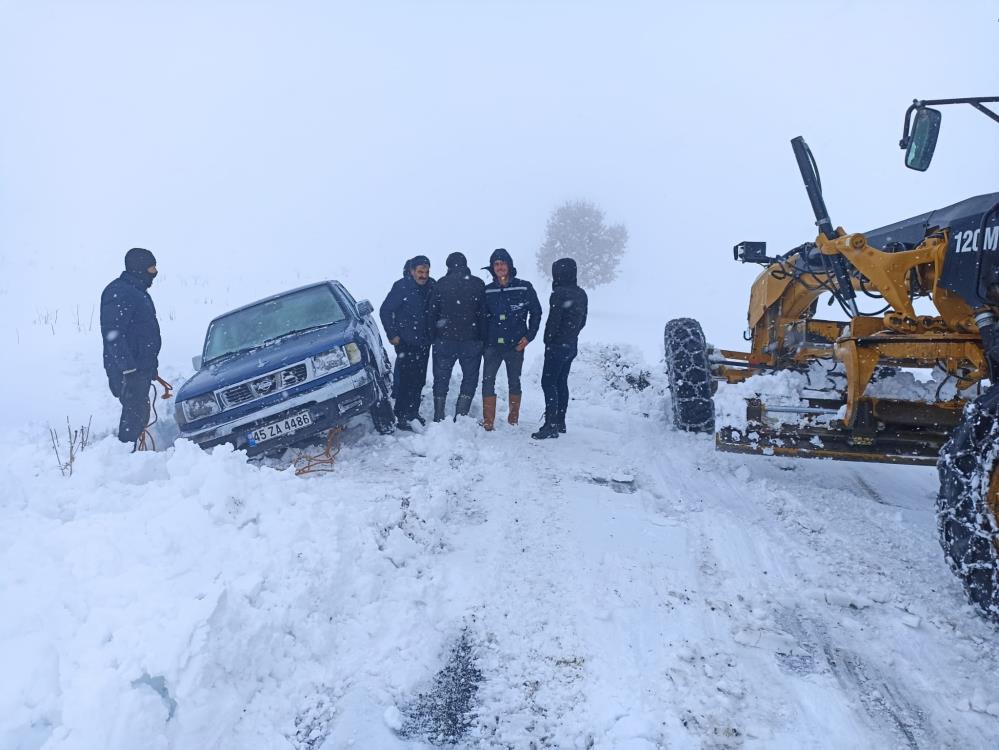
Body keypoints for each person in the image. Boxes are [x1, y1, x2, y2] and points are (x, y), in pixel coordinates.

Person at [100, 247, 162, 447]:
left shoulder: (136, 291)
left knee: (139, 414)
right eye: (151, 268)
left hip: (139, 369)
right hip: (128, 372)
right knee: (133, 419)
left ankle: (135, 457)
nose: (155, 273)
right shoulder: (119, 292)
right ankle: (126, 460)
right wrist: (129, 370)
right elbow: (113, 335)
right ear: (139, 269)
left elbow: (143, 333)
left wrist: (150, 366)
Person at [480, 248, 542, 430]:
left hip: (515, 345)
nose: (500, 267)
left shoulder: (524, 287)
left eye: (503, 263)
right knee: (487, 381)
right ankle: (488, 421)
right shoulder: (488, 291)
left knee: (514, 380)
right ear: (492, 268)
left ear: (509, 265)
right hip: (492, 345)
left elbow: (536, 312)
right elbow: (482, 317)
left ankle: (513, 418)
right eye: (496, 264)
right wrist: (484, 340)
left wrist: (528, 337)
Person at [532, 258, 588, 440]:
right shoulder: (581, 294)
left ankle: (550, 424)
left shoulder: (558, 293)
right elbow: (583, 321)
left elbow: (553, 321)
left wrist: (548, 339)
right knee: (561, 382)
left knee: (548, 383)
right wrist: (571, 335)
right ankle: (560, 421)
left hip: (557, 345)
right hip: (571, 345)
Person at [428, 252, 486, 421]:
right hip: (471, 340)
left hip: (444, 340)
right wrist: (482, 337)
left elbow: (431, 313)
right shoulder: (478, 284)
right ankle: (461, 415)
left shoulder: (440, 284)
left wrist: (434, 335)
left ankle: (438, 415)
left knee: (441, 377)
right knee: (470, 377)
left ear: (448, 266)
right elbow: (483, 314)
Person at [380, 255, 434, 430]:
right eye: (420, 272)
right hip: (406, 342)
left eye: (426, 272)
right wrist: (392, 334)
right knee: (405, 380)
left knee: (419, 380)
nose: (423, 275)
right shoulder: (401, 287)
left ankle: (413, 412)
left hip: (424, 342)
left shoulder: (432, 285)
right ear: (412, 271)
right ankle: (401, 415)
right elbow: (385, 310)